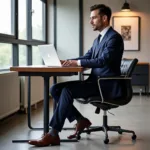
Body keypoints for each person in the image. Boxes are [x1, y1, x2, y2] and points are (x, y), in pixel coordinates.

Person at [28, 4, 124, 147]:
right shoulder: (98, 39)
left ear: (104, 18)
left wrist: (76, 62)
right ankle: (80, 119)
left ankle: (53, 134)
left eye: (93, 18)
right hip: (95, 82)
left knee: (67, 90)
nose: (90, 21)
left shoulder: (114, 38)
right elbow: (87, 57)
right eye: (90, 18)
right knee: (55, 89)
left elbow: (102, 61)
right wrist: (67, 62)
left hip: (105, 85)